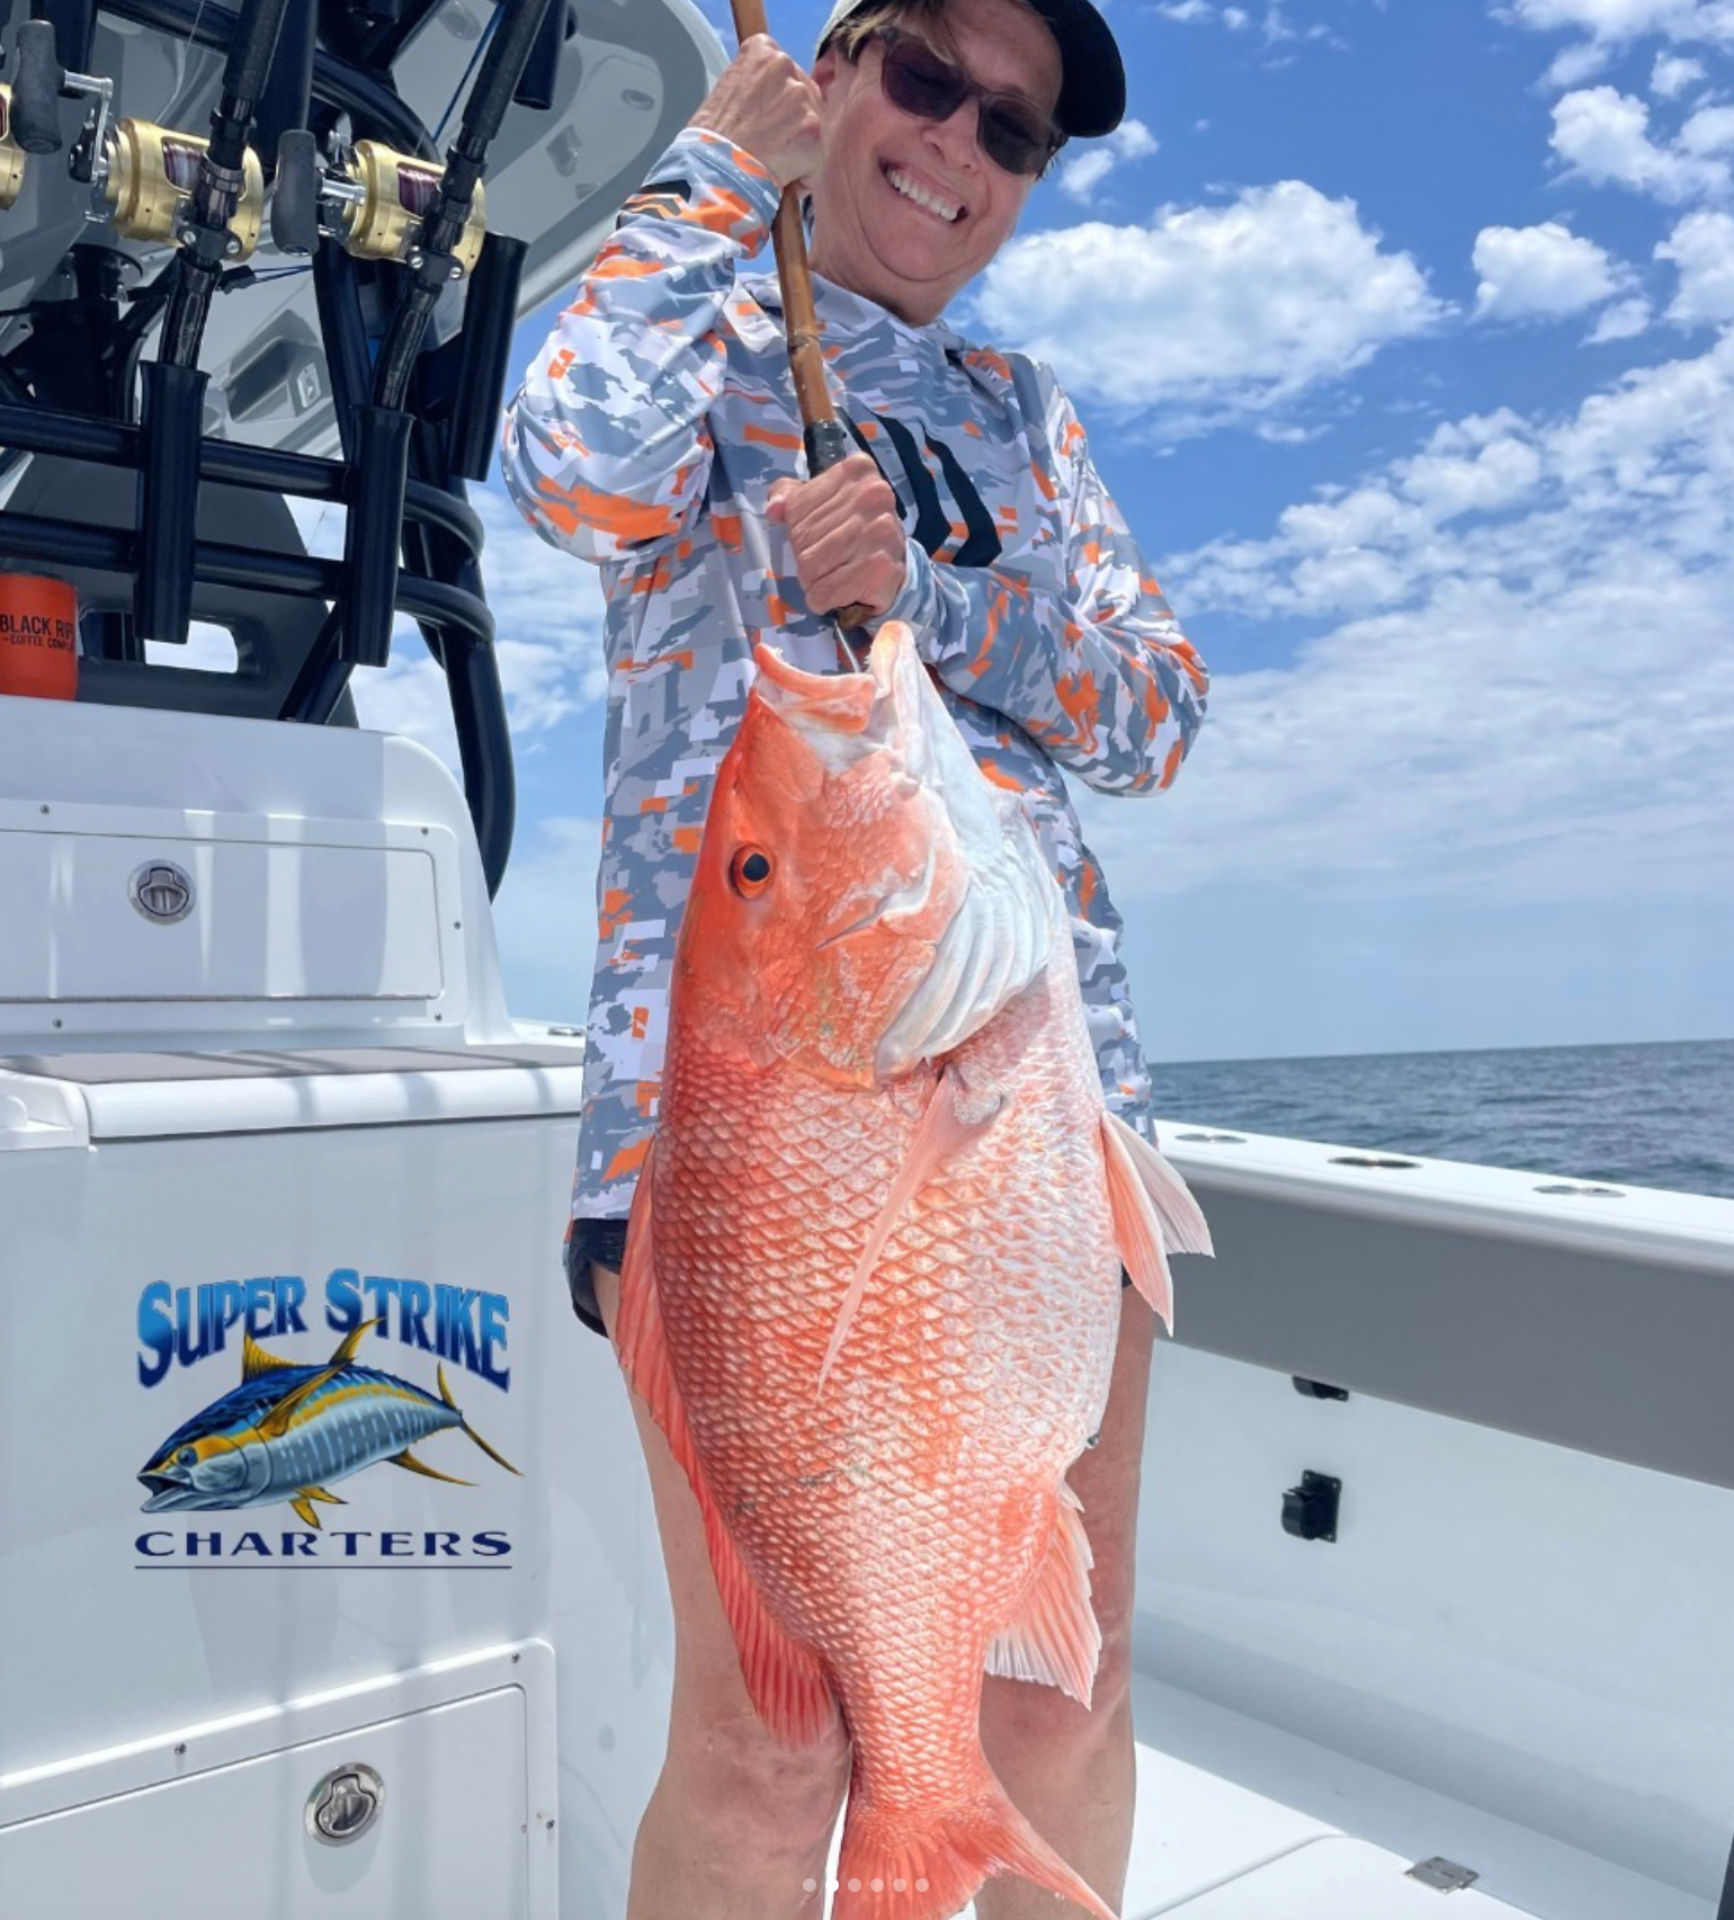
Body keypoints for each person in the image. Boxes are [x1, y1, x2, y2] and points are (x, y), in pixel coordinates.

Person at [502, 0, 1208, 1911]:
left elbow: (1155, 712)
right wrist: (714, 179)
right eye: (921, 79)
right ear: (830, 76)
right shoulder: (706, 316)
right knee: (774, 1735)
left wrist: (943, 603)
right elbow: (564, 476)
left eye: (1016, 129)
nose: (958, 146)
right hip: (750, 1121)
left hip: (1041, 1125)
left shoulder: (1024, 412)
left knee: (1062, 1687)